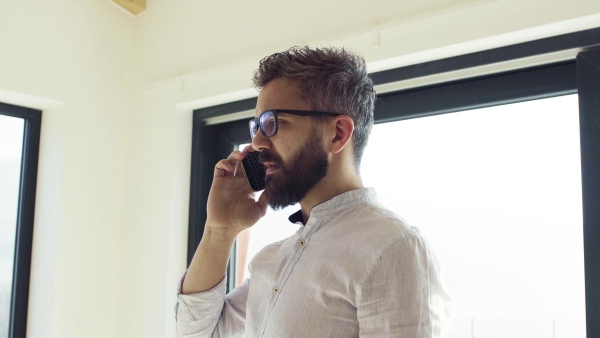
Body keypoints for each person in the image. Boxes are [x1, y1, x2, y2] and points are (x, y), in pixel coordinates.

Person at [175, 46, 453, 337]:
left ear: (338, 134)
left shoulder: (393, 247)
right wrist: (220, 229)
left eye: (272, 123)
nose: (256, 142)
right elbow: (195, 333)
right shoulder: (271, 260)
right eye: (256, 125)